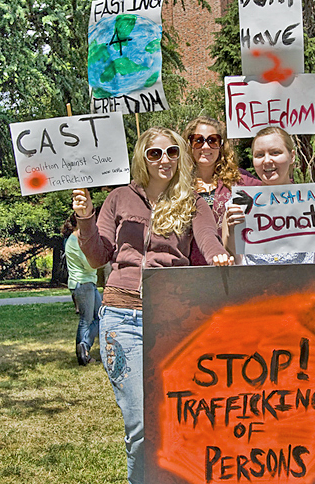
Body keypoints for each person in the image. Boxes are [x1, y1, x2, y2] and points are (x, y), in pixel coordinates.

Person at [72, 127, 233, 484]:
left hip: (174, 318)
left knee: (178, 418)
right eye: (155, 153)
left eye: (173, 152)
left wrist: (218, 253)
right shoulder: (117, 199)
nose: (165, 160)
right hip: (121, 317)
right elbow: (99, 256)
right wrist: (85, 218)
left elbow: (206, 236)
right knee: (142, 421)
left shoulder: (192, 200)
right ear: (141, 157)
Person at [223, 126, 315, 265]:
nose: (266, 160)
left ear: (292, 156)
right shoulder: (237, 205)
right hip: (255, 285)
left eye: (275, 152)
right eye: (259, 155)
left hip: (305, 285)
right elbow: (234, 261)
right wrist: (232, 233)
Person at [182, 116, 259, 265]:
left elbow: (273, 192)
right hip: (189, 271)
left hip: (231, 267)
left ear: (221, 145)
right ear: (189, 144)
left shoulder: (239, 180)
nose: (205, 147)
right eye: (198, 140)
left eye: (213, 140)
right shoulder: (178, 185)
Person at [61, 213, 101, 365]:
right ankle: (83, 353)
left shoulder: (77, 238)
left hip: (88, 283)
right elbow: (90, 264)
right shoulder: (75, 240)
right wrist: (101, 257)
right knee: (86, 320)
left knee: (100, 315)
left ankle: (83, 348)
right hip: (82, 284)